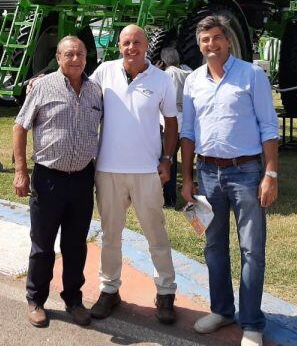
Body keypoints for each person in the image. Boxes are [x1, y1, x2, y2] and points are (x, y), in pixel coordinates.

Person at [180, 14, 279, 346]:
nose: (212, 45)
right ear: (200, 44)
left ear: (228, 41)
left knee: (252, 250)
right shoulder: (192, 81)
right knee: (213, 246)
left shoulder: (252, 75)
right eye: (206, 40)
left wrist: (270, 174)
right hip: (207, 174)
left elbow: (268, 126)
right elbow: (188, 133)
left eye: (217, 38)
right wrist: (187, 179)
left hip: (247, 173)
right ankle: (222, 310)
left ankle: (251, 323)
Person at [89, 24, 180, 325]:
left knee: (156, 235)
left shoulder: (162, 79)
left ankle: (165, 293)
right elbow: (78, 90)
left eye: (137, 42)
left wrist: (167, 159)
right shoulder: (104, 72)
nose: (132, 47)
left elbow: (171, 123)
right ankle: (109, 289)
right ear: (118, 45)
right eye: (126, 42)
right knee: (110, 235)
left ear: (146, 46)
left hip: (146, 172)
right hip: (108, 171)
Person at [12, 36, 103, 328]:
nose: (75, 59)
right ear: (58, 56)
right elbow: (20, 126)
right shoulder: (42, 86)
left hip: (82, 180)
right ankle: (36, 300)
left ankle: (73, 300)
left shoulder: (95, 91)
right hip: (48, 178)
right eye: (69, 54)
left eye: (80, 54)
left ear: (87, 57)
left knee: (76, 244)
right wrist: (20, 171)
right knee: (42, 245)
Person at [159, 47, 190, 207]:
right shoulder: (187, 71)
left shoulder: (167, 74)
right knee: (174, 159)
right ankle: (172, 196)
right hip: (185, 121)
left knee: (166, 159)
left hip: (170, 121)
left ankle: (168, 197)